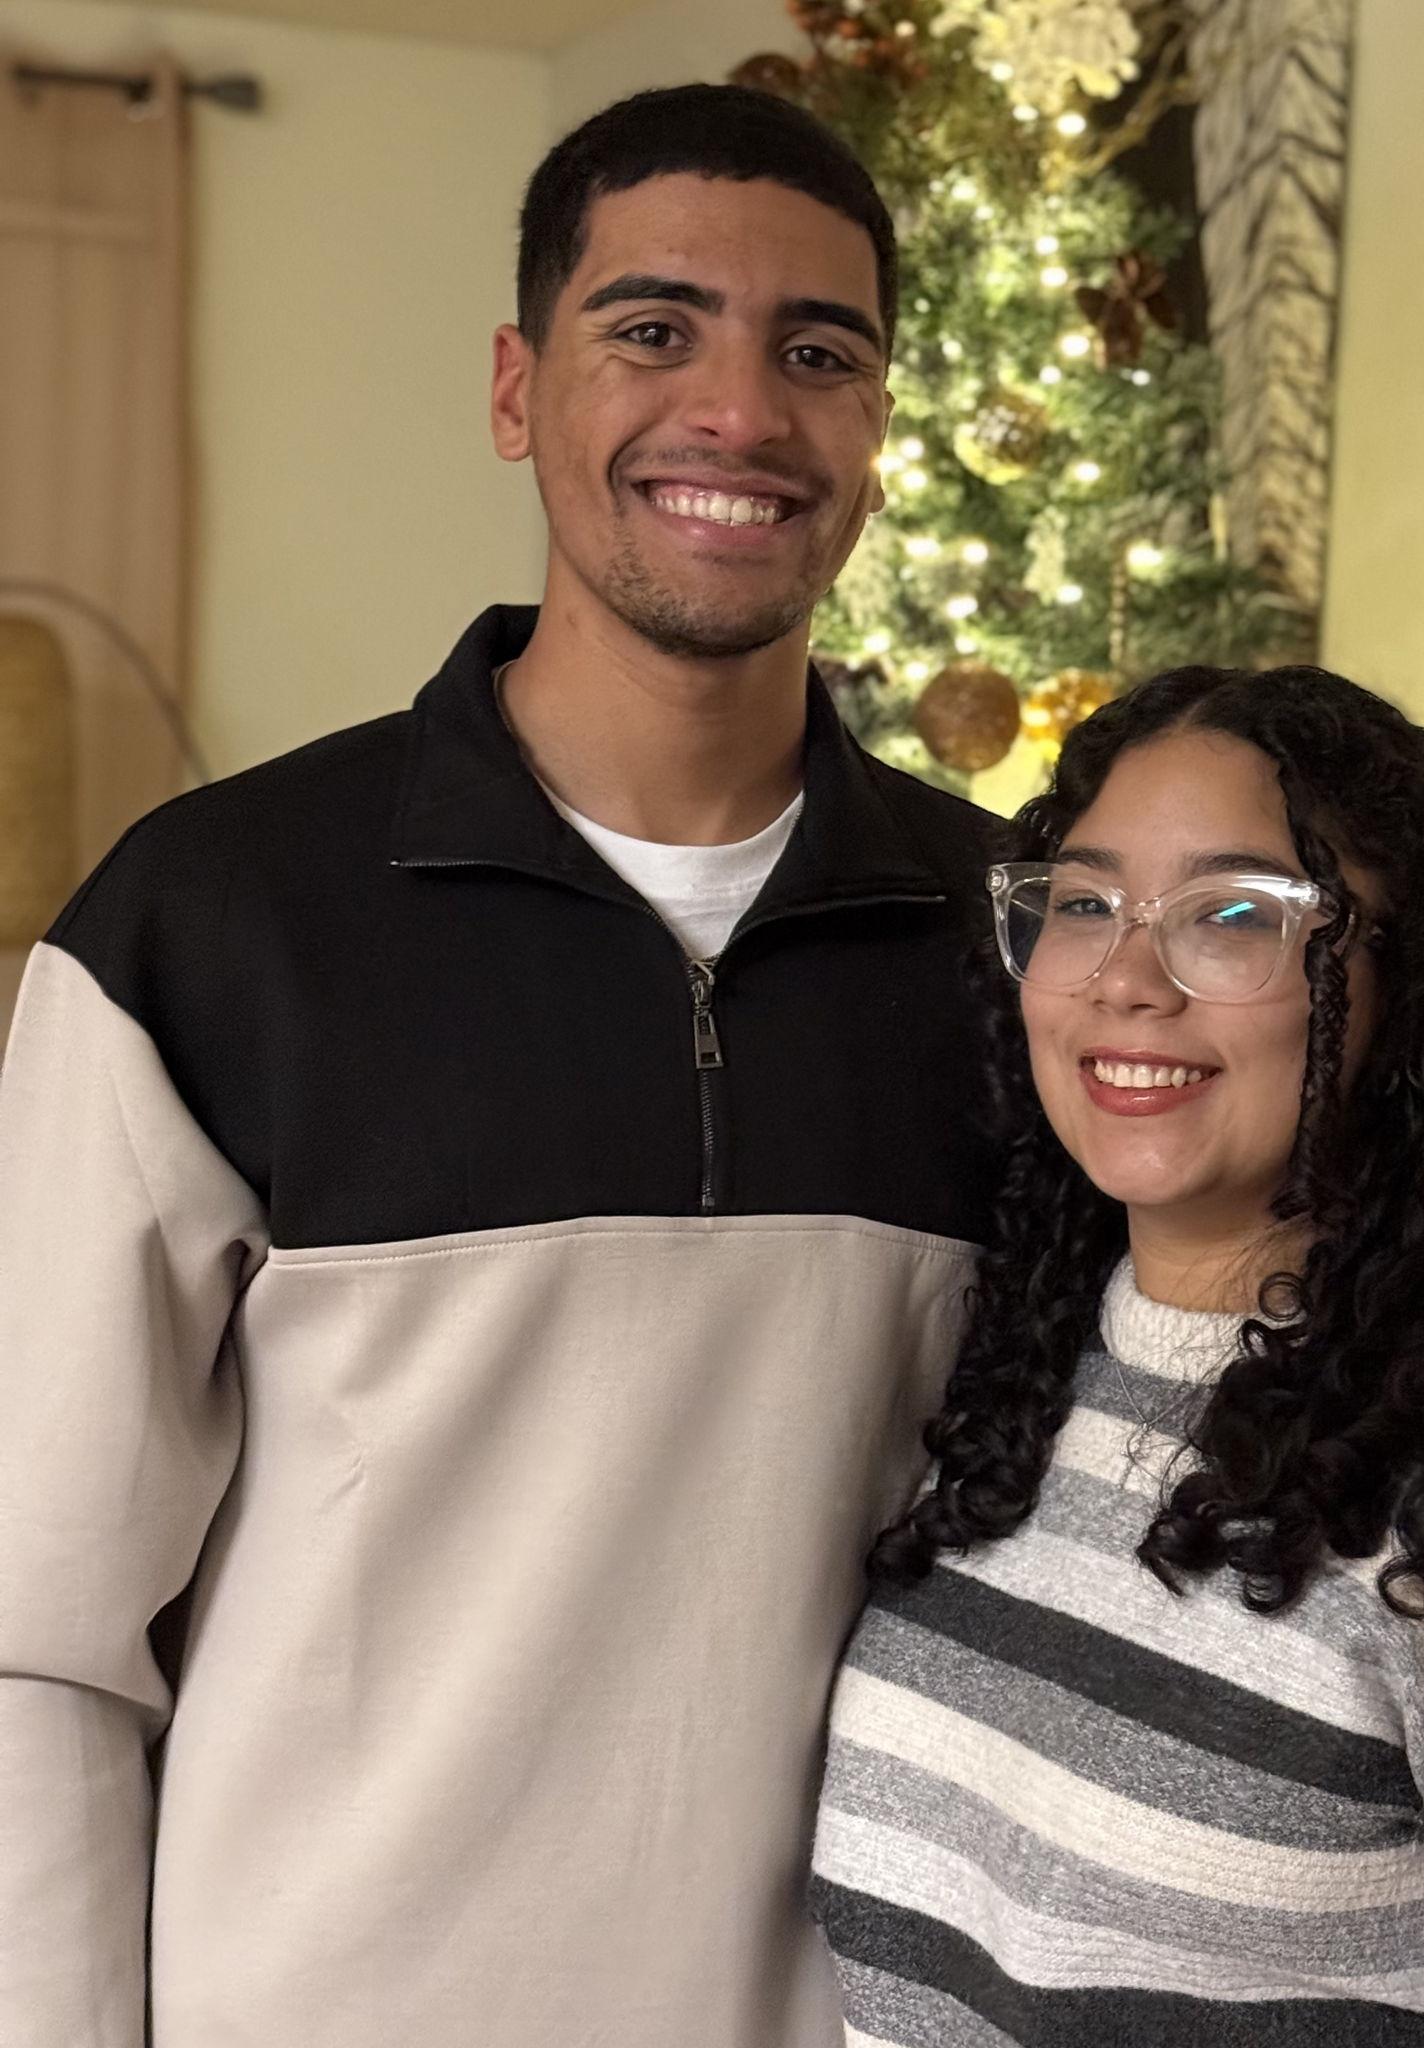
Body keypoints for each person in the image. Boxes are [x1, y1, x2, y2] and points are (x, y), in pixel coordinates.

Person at [0, 86, 996, 2048]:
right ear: (516, 389)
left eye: (819, 352)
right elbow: (38, 1640)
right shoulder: (205, 926)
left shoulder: (1034, 955)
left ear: (877, 429)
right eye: (654, 329)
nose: (739, 410)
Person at [811, 665, 1424, 2045]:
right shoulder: (1022, 1376)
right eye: (1083, 904)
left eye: (1236, 916)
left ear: (1403, 987)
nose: (1127, 980)